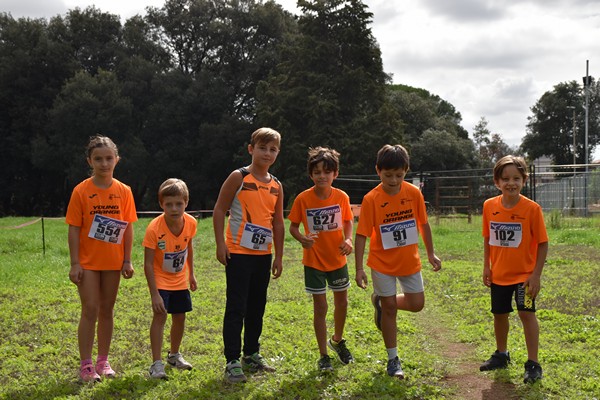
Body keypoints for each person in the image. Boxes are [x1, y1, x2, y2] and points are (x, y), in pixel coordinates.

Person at [354, 144, 442, 379]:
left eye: (399, 175)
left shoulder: (413, 193)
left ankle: (381, 303)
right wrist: (359, 267)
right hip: (381, 263)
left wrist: (431, 253)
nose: (393, 180)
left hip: (409, 261)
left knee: (416, 304)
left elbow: (423, 224)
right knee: (391, 308)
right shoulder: (371, 199)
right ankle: (393, 359)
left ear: (406, 171)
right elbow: (361, 234)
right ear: (378, 171)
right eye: (388, 175)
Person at [213, 127, 285, 383]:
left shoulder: (276, 185)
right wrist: (221, 244)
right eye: (262, 148)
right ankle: (232, 359)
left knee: (257, 306)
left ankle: (251, 353)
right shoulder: (238, 177)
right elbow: (219, 210)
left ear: (277, 153)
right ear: (251, 149)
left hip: (263, 255)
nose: (267, 153)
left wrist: (278, 256)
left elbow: (278, 223)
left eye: (273, 149)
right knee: (237, 307)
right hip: (238, 254)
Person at [66, 135, 137, 382]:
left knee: (107, 310)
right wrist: (75, 263)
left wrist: (127, 259)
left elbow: (128, 227)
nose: (104, 164)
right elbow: (74, 228)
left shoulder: (124, 191)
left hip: (113, 262)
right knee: (90, 309)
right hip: (87, 262)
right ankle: (86, 365)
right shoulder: (81, 190)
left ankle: (103, 362)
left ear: (117, 160)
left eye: (109, 158)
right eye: (98, 159)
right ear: (90, 161)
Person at [480, 155, 548, 384]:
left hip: (524, 277)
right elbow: (488, 238)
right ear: (497, 182)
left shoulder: (532, 209)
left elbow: (542, 243)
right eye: (505, 178)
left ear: (524, 180)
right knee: (499, 314)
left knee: (526, 314)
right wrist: (486, 266)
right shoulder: (489, 206)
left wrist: (535, 274)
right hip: (499, 275)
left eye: (516, 178)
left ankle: (533, 363)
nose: (511, 183)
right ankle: (502, 354)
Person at [288, 147, 355, 372]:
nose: (322, 176)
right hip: (314, 261)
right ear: (311, 174)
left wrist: (349, 239)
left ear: (335, 174)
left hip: (337, 258)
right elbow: (293, 227)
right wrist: (302, 238)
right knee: (321, 307)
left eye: (327, 172)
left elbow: (347, 221)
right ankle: (323, 355)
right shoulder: (303, 199)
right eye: (317, 172)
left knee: (342, 303)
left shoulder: (341, 197)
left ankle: (337, 340)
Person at [143, 178, 197, 379]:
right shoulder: (154, 229)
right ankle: (156, 364)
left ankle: (174, 355)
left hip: (180, 279)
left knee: (180, 316)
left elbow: (188, 247)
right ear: (161, 204)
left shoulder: (191, 222)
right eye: (169, 204)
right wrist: (155, 294)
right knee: (160, 316)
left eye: (179, 204)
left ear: (186, 202)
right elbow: (148, 264)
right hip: (160, 280)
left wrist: (191, 273)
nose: (174, 208)